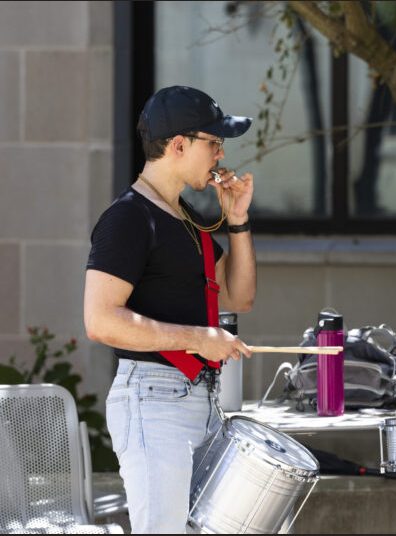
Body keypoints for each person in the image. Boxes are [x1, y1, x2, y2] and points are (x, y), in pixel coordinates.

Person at [83, 86, 257, 533]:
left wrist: (237, 220)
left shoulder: (185, 218)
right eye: (213, 143)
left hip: (194, 400)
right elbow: (100, 320)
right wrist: (198, 338)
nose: (220, 155)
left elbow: (239, 296)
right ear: (179, 144)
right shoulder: (128, 218)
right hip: (153, 400)